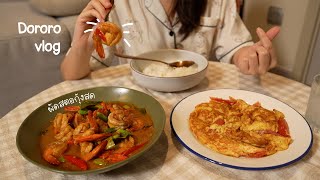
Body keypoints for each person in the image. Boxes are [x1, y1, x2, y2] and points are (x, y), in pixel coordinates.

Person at [61, 0, 280, 80]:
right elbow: (71, 73)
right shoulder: (113, 4)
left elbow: (238, 49)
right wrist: (82, 45)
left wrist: (252, 56)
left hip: (199, 105)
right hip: (139, 107)